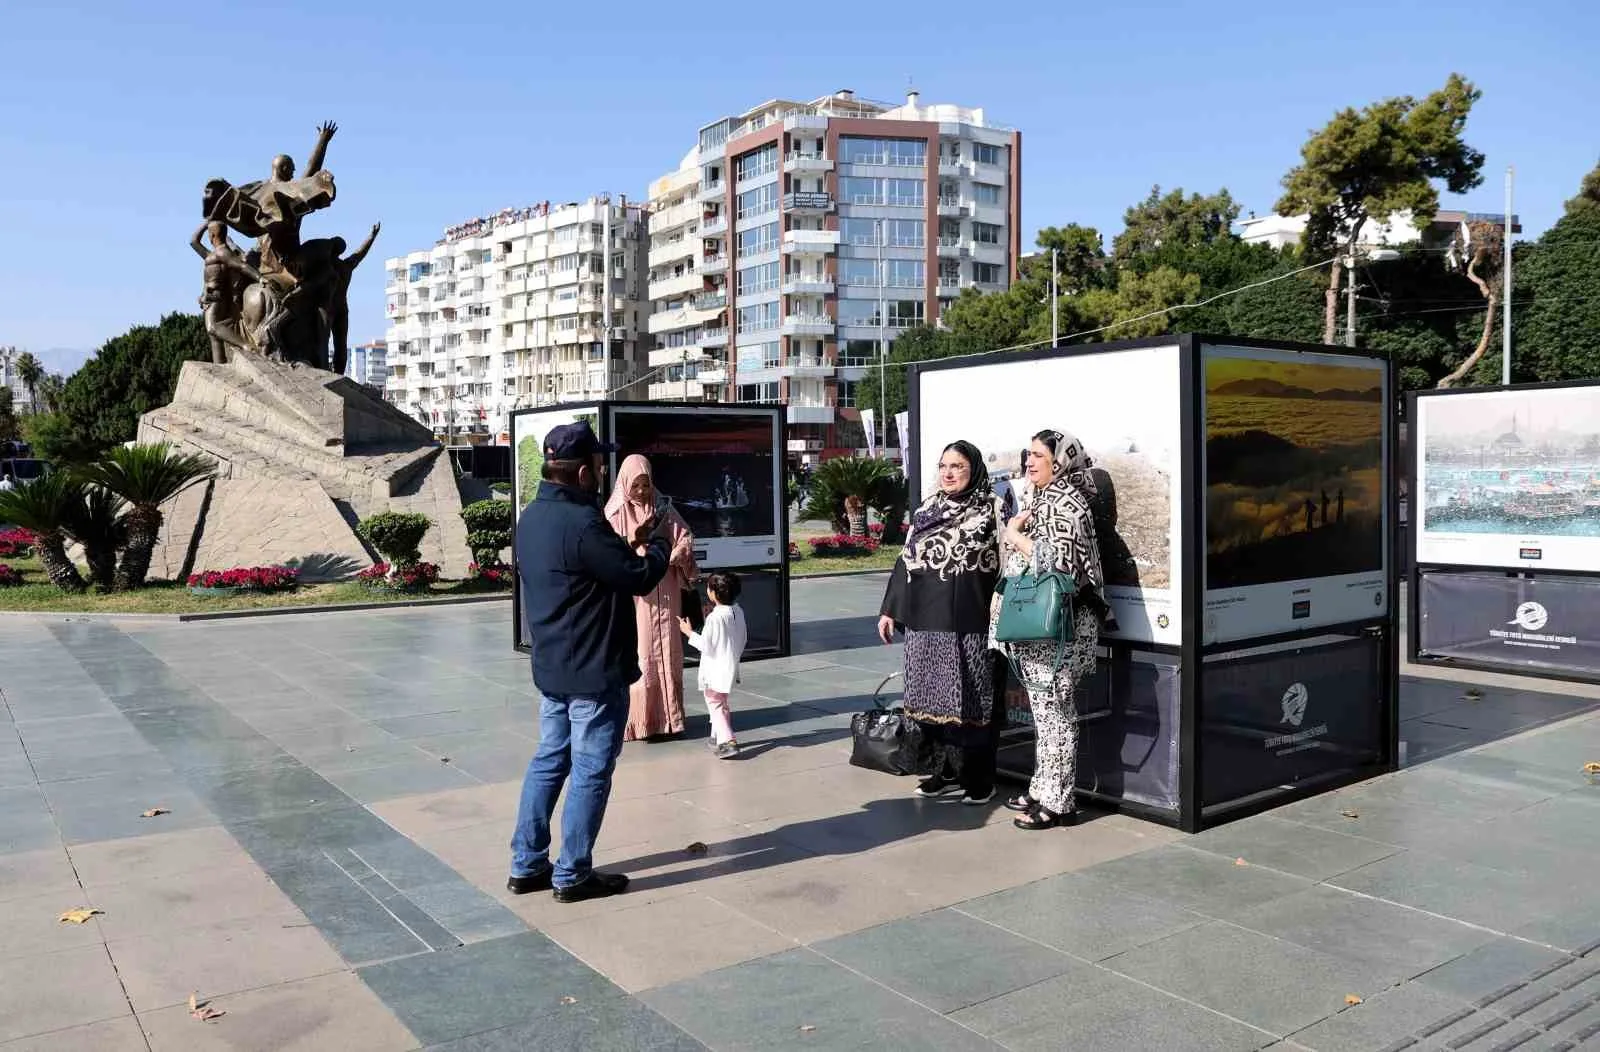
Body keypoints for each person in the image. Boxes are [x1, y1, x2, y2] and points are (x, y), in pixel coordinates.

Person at [507, 421, 671, 903]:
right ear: (582, 473)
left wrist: (631, 540)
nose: (603, 472)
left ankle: (527, 864)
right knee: (591, 769)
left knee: (548, 761)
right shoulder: (583, 523)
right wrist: (658, 544)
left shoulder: (532, 517)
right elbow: (638, 578)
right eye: (599, 465)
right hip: (593, 671)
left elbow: (588, 571)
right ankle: (573, 873)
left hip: (554, 666)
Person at [993, 429, 1109, 830]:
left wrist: (1012, 534)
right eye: (1029, 454)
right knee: (1045, 714)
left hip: (1064, 628)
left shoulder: (1066, 504)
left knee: (1057, 714)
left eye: (1038, 455)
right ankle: (1043, 787)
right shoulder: (1047, 500)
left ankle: (1059, 802)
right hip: (1046, 628)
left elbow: (1055, 563)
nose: (1029, 462)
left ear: (1058, 462)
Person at [878, 440, 1004, 806]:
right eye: (944, 466)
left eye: (958, 466)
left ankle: (979, 779)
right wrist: (889, 610)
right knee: (930, 703)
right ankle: (944, 773)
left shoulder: (991, 508)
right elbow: (906, 562)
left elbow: (1007, 562)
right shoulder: (927, 509)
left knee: (971, 701)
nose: (948, 473)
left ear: (974, 470)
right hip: (925, 623)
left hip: (970, 621)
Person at [606, 455, 698, 741]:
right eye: (637, 485)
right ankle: (642, 722)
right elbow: (609, 554)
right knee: (642, 654)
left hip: (667, 593)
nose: (643, 491)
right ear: (625, 485)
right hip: (638, 598)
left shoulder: (663, 509)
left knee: (669, 653)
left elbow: (684, 536)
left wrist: (680, 551)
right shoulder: (614, 515)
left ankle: (670, 719)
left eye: (646, 484)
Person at [679, 571, 749, 758]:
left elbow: (705, 645)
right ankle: (716, 735)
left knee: (715, 703)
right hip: (730, 665)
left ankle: (728, 740)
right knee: (721, 703)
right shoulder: (738, 611)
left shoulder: (714, 617)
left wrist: (688, 632)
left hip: (715, 669)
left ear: (713, 593)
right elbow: (743, 638)